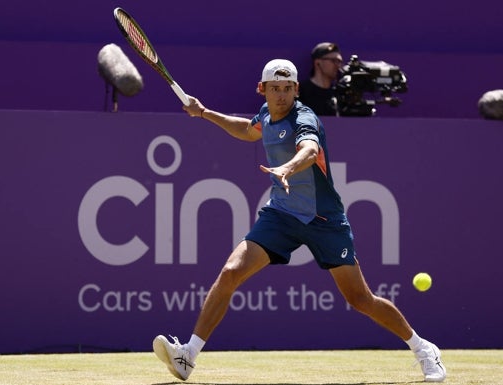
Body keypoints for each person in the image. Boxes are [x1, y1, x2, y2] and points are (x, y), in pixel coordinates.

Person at [152, 59, 447, 383]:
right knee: (231, 272)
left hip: (325, 219)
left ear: (296, 90)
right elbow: (248, 130)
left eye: (287, 89)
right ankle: (187, 356)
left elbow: (308, 149)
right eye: (275, 89)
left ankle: (423, 348)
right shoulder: (265, 114)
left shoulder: (304, 118)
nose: (281, 95)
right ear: (262, 90)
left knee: (360, 299)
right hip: (281, 214)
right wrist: (205, 112)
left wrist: (287, 169)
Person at [298, 42, 343, 116]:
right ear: (317, 63)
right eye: (333, 60)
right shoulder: (301, 91)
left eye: (339, 61)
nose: (338, 65)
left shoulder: (338, 93)